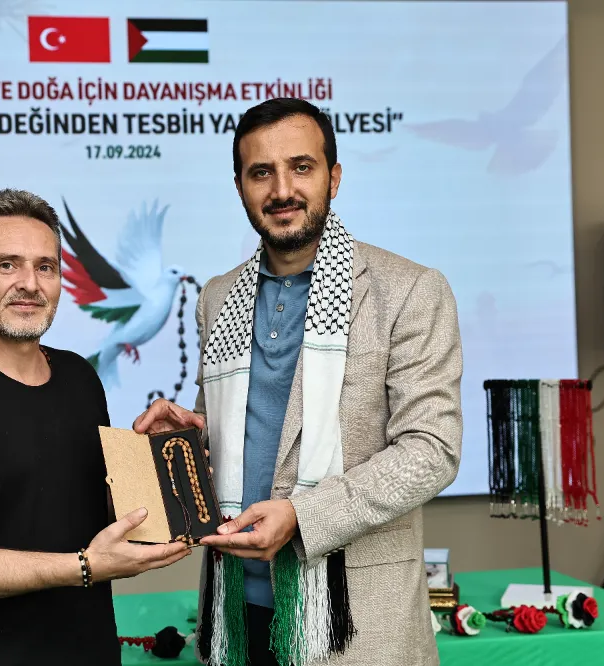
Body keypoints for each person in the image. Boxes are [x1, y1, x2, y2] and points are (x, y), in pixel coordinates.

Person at [133, 98, 463, 666]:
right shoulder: (217, 296)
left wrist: (303, 516)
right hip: (235, 616)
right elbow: (246, 435)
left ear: (334, 177)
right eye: (261, 172)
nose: (282, 190)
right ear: (240, 186)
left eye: (301, 167)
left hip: (356, 625)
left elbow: (432, 450)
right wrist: (189, 437)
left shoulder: (408, 290)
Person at [0, 188, 191, 666]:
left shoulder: (80, 378)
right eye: (7, 265)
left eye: (45, 267)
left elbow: (94, 512)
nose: (29, 283)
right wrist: (84, 568)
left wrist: (155, 459)